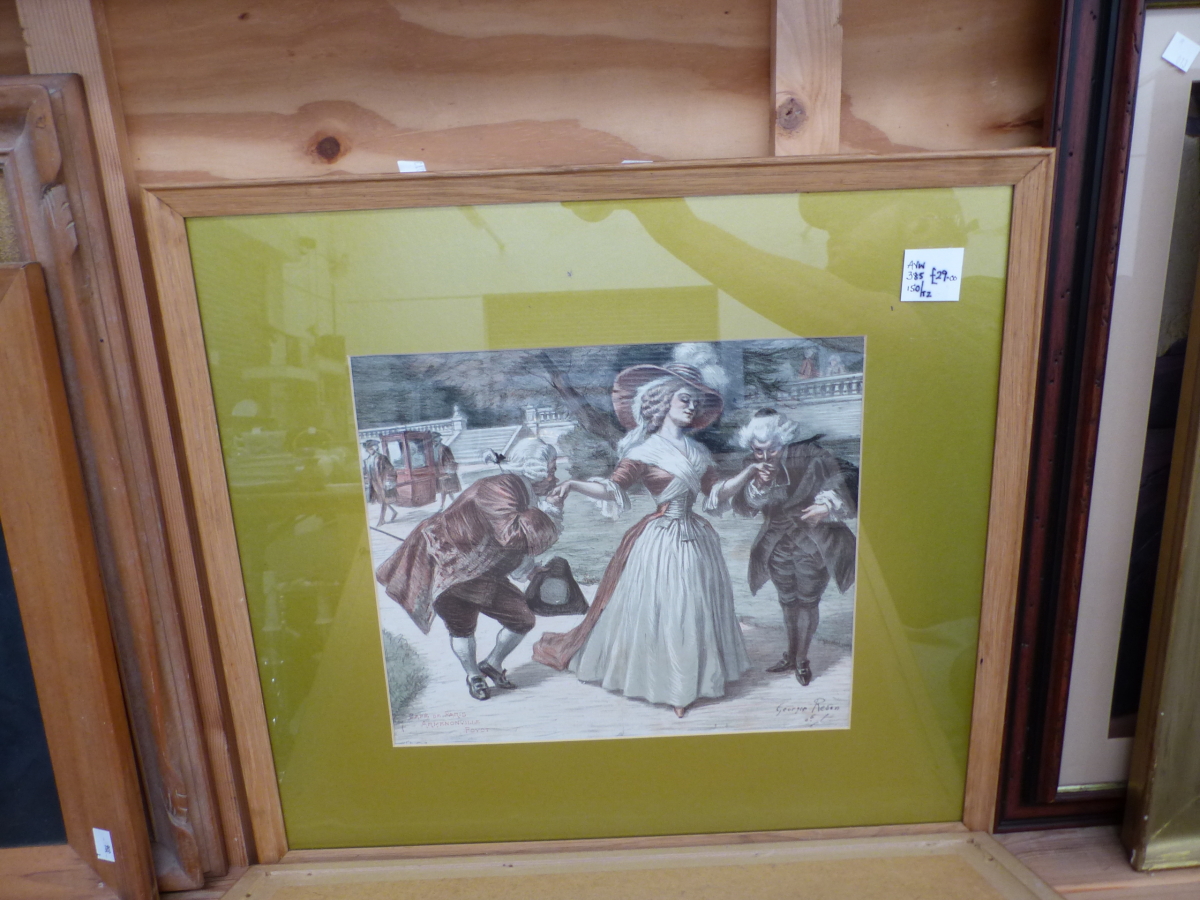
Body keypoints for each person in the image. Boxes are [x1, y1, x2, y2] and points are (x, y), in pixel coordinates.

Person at [533, 363, 761, 717]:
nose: (692, 407)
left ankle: (695, 679)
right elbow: (612, 489)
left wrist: (746, 473)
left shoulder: (699, 453)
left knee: (695, 607)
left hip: (698, 538)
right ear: (662, 402)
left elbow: (714, 495)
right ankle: (672, 687)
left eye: (695, 402)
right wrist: (574, 484)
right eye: (684, 399)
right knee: (669, 609)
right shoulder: (643, 451)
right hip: (660, 541)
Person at [375, 438, 564, 701]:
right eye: (551, 469)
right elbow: (513, 536)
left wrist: (528, 569)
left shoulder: (520, 489)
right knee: (462, 626)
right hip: (449, 568)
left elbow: (507, 544)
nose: (554, 476)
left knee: (522, 619)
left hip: (480, 570)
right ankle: (474, 675)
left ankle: (492, 664)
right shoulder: (501, 488)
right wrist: (552, 511)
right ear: (536, 469)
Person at [729, 409, 857, 686]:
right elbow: (742, 507)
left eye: (771, 450)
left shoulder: (810, 453)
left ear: (783, 442)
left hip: (814, 542)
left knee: (807, 601)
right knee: (787, 600)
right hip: (776, 545)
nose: (763, 457)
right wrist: (757, 486)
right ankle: (790, 654)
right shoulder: (752, 463)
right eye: (757, 450)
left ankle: (802, 659)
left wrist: (827, 504)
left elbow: (850, 473)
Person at [362, 439, 398, 526]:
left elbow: (391, 469)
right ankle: (393, 512)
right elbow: (365, 472)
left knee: (383, 499)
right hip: (373, 483)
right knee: (380, 500)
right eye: (369, 448)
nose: (371, 449)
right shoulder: (367, 460)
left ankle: (381, 519)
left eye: (372, 447)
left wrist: (388, 480)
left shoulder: (382, 458)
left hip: (382, 482)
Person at [432, 432, 461, 510]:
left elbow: (451, 459)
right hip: (439, 471)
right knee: (446, 489)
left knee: (444, 489)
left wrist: (448, 470)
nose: (434, 441)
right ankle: (455, 503)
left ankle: (442, 506)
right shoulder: (433, 449)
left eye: (435, 439)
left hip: (446, 471)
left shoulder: (444, 448)